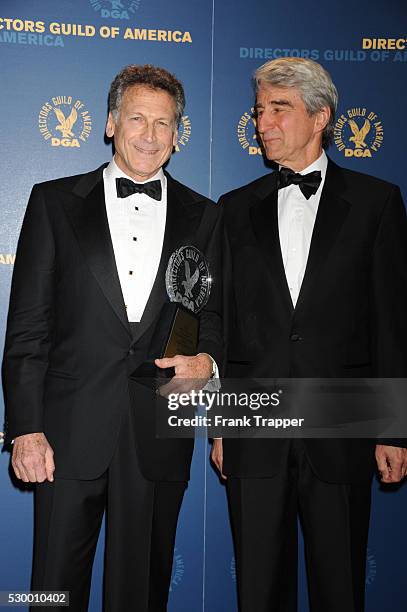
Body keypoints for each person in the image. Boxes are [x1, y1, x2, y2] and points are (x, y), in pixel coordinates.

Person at [3, 64, 222, 612]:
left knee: (142, 592)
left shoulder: (207, 217)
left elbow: (214, 316)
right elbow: (28, 327)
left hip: (157, 435)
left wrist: (210, 365)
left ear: (178, 134)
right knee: (52, 590)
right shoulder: (53, 203)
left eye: (164, 123)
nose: (149, 135)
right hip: (66, 435)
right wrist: (25, 428)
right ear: (109, 123)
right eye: (137, 119)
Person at [212, 57, 407, 612]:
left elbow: (392, 323)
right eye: (259, 111)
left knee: (339, 585)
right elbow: (221, 324)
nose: (263, 122)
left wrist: (394, 429)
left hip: (344, 425)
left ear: (320, 116)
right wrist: (221, 427)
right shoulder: (233, 209)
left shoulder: (377, 202)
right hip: (254, 423)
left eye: (279, 109)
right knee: (258, 587)